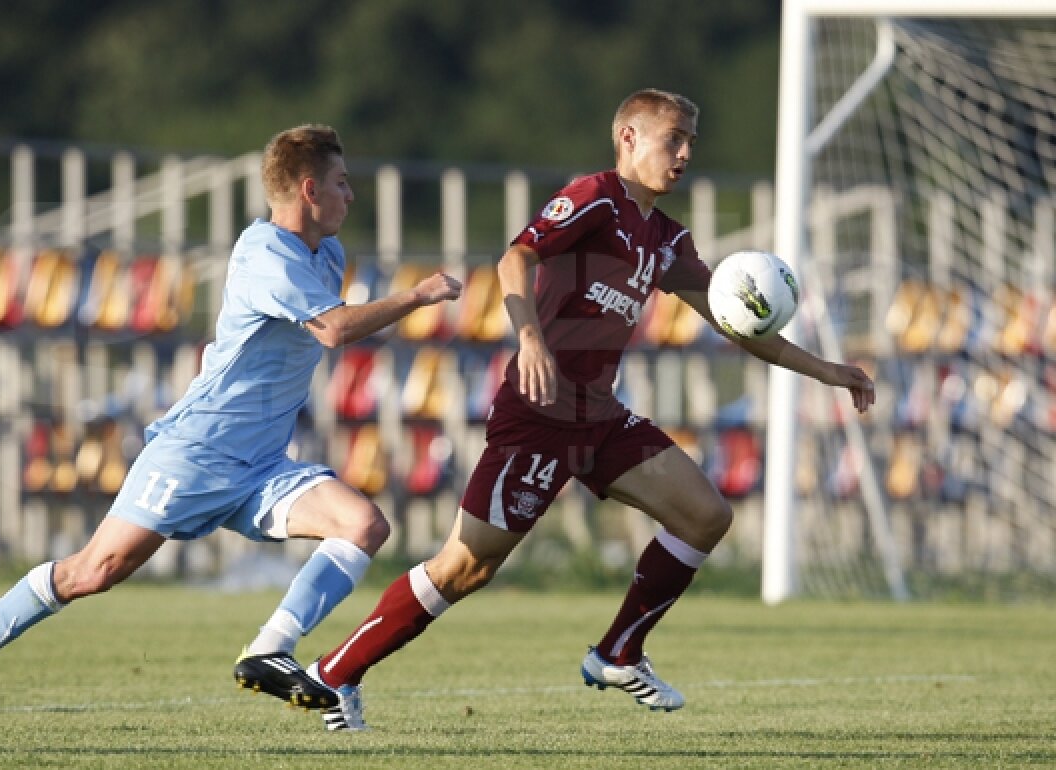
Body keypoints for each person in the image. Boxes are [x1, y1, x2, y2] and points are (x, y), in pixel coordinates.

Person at [306, 89, 876, 731]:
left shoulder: (665, 238)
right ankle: (334, 672)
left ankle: (618, 651)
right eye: (673, 138)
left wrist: (829, 371)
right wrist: (528, 338)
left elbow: (732, 321)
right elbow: (515, 257)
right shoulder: (595, 198)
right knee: (464, 567)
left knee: (706, 515)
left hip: (599, 417)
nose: (685, 152)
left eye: (691, 141)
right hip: (538, 414)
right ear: (629, 138)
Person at [0, 124, 464, 730]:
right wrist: (419, 295)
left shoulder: (325, 253)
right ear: (307, 189)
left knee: (363, 525)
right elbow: (334, 329)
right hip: (195, 454)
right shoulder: (264, 254)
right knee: (93, 572)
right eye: (341, 183)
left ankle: (270, 650)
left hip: (263, 466)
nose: (351, 195)